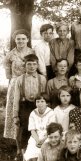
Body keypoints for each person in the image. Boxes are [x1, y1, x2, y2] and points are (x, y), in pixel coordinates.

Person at [3, 29, 35, 159]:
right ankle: (18, 149)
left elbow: (35, 66)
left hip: (29, 84)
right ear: (15, 40)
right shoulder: (11, 54)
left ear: (27, 39)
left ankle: (30, 146)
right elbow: (6, 68)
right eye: (18, 39)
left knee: (29, 116)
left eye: (23, 38)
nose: (21, 41)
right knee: (16, 118)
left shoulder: (31, 52)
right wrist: (12, 79)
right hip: (15, 84)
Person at [13, 54, 47, 158]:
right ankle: (24, 155)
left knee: (39, 129)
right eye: (29, 64)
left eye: (34, 64)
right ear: (24, 65)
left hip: (38, 106)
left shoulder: (42, 79)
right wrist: (15, 115)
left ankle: (38, 154)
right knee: (25, 130)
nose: (32, 66)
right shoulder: (19, 79)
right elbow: (16, 98)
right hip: (25, 106)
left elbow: (44, 96)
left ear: (37, 65)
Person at [23, 93, 56, 161]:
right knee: (31, 152)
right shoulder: (33, 113)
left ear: (46, 103)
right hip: (36, 136)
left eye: (42, 101)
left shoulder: (51, 113)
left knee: (43, 154)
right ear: (35, 103)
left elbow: (51, 129)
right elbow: (32, 130)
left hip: (47, 136)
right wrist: (37, 140)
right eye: (37, 101)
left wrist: (43, 140)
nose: (40, 103)